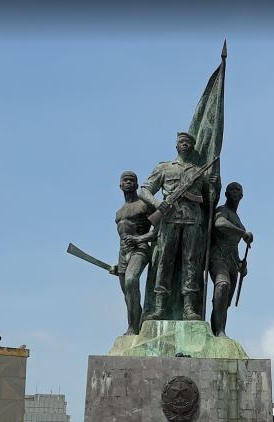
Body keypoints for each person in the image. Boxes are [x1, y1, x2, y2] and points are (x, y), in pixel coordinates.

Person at [140, 132, 219, 321]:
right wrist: (158, 204)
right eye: (182, 142)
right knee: (164, 263)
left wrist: (213, 185)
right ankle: (159, 307)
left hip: (193, 222)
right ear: (176, 146)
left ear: (192, 147)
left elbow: (208, 200)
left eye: (188, 143)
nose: (185, 145)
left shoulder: (199, 171)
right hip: (169, 220)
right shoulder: (165, 167)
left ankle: (189, 308)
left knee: (191, 263)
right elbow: (145, 190)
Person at [108, 171, 156, 335]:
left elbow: (161, 230)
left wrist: (139, 239)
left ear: (136, 185)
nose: (128, 182)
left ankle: (132, 328)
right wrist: (117, 263)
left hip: (140, 249)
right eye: (125, 180)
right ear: (120, 185)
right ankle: (137, 325)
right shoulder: (119, 212)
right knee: (128, 294)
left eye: (132, 180)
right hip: (123, 253)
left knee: (131, 281)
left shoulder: (143, 205)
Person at [209, 182, 253, 337]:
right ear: (226, 194)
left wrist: (242, 264)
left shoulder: (237, 217)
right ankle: (219, 331)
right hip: (218, 257)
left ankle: (218, 331)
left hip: (232, 261)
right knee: (222, 286)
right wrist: (243, 233)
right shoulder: (222, 210)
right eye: (232, 189)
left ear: (242, 196)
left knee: (224, 303)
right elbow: (219, 223)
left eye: (238, 190)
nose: (235, 192)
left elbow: (234, 245)